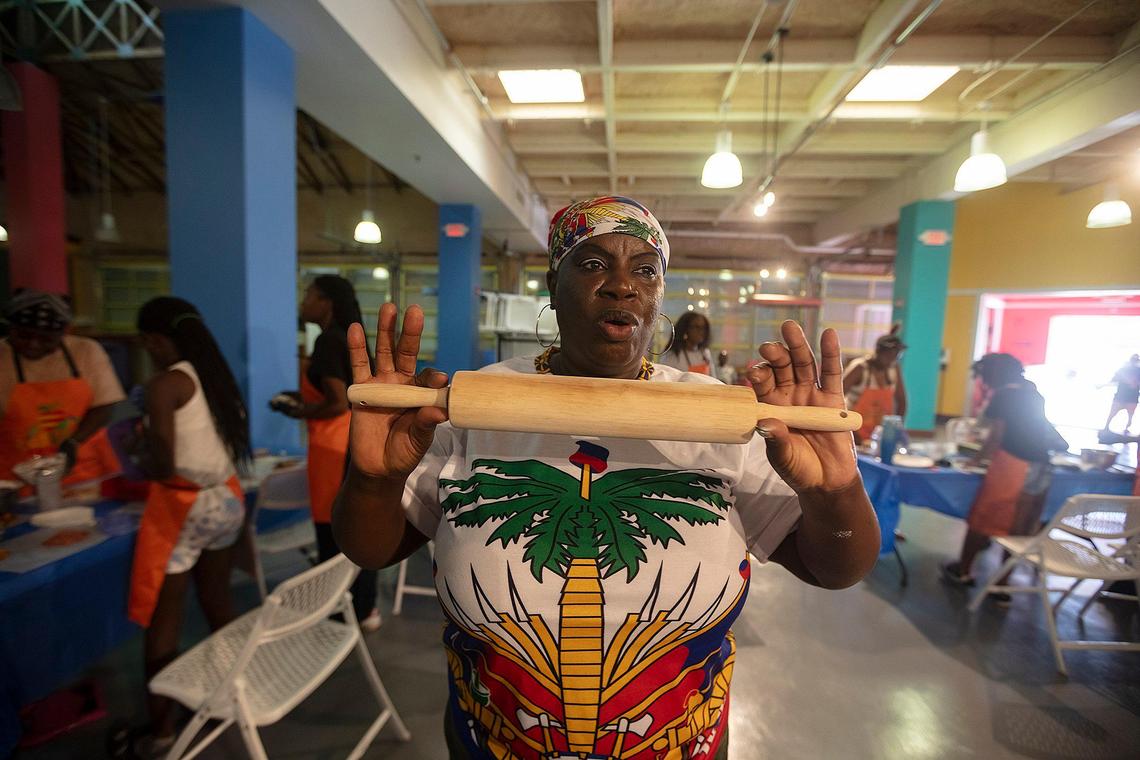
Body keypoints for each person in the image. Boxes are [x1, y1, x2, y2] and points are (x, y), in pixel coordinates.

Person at [332, 195, 879, 759]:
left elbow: (836, 566)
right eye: (594, 264)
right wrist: (373, 479)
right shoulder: (477, 406)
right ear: (553, 285)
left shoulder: (718, 416)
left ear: (659, 294)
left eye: (645, 271)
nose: (622, 286)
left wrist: (833, 490)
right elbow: (370, 550)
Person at [121, 297, 251, 756]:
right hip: (225, 502)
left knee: (164, 618)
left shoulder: (164, 384)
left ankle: (160, 730)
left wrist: (134, 448)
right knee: (217, 602)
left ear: (156, 341)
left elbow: (162, 464)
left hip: (185, 509)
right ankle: (231, 695)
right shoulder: (211, 376)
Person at [271, 275, 380, 630]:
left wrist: (298, 411)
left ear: (327, 302)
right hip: (353, 438)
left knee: (333, 530)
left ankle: (336, 612)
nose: (303, 301)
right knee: (356, 524)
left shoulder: (328, 342)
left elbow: (335, 401)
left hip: (333, 446)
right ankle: (364, 607)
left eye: (309, 295)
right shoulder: (349, 340)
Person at [941, 353, 1069, 603]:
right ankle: (1002, 584)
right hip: (1042, 466)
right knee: (1019, 528)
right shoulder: (1032, 392)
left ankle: (963, 571)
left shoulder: (1004, 395)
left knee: (983, 519)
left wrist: (975, 461)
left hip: (1013, 465)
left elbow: (997, 435)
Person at [0, 289, 124, 483]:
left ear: (64, 333)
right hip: (17, 473)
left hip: (84, 470)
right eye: (24, 336)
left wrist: (73, 442)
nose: (33, 344)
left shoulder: (86, 351)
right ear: (10, 329)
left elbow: (104, 406)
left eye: (46, 339)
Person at [842, 325, 907, 444]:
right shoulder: (860, 368)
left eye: (895, 356)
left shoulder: (893, 369)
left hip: (878, 432)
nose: (891, 360)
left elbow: (902, 401)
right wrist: (849, 428)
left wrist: (896, 429)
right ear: (878, 351)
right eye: (888, 356)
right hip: (853, 430)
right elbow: (837, 398)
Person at [657, 311, 713, 375]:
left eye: (704, 328)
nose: (701, 331)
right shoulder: (672, 356)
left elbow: (713, 378)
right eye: (697, 327)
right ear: (685, 329)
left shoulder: (705, 353)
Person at [1103, 354, 1140, 434]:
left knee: (1126, 416)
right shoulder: (1124, 369)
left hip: (1127, 398)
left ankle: (1108, 428)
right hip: (1125, 397)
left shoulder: (1124, 369)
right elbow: (1113, 379)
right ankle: (1108, 428)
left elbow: (1113, 380)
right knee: (1126, 416)